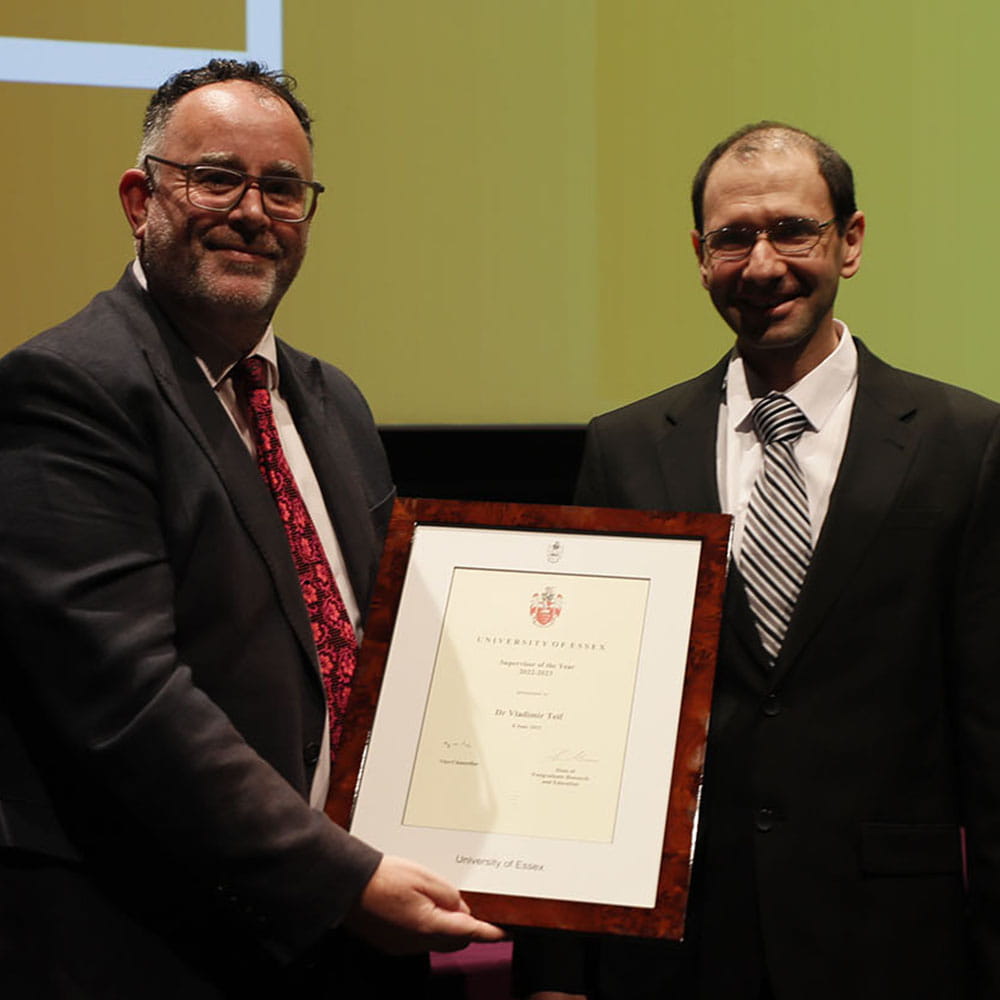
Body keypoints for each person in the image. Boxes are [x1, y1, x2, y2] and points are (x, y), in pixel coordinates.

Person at [0, 59, 501, 998]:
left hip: (346, 941)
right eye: (216, 177)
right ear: (137, 196)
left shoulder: (330, 400)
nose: (254, 211)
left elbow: (389, 648)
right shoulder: (69, 388)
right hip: (154, 941)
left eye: (284, 188)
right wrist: (340, 879)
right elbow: (128, 702)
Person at [513, 123, 1000, 998]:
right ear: (701, 256)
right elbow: (577, 720)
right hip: (677, 950)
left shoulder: (966, 443)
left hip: (896, 945)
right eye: (734, 237)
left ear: (849, 242)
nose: (763, 263)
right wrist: (555, 965)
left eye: (793, 230)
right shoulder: (624, 450)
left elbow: (993, 726)